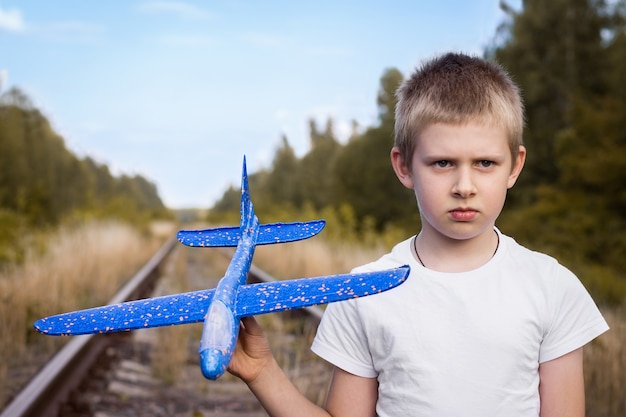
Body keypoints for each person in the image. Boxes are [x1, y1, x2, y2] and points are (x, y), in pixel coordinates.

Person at [227, 52, 609, 417]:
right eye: (443, 163)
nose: (465, 185)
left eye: (485, 163)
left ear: (515, 166)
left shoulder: (552, 286)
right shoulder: (364, 292)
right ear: (404, 166)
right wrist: (263, 372)